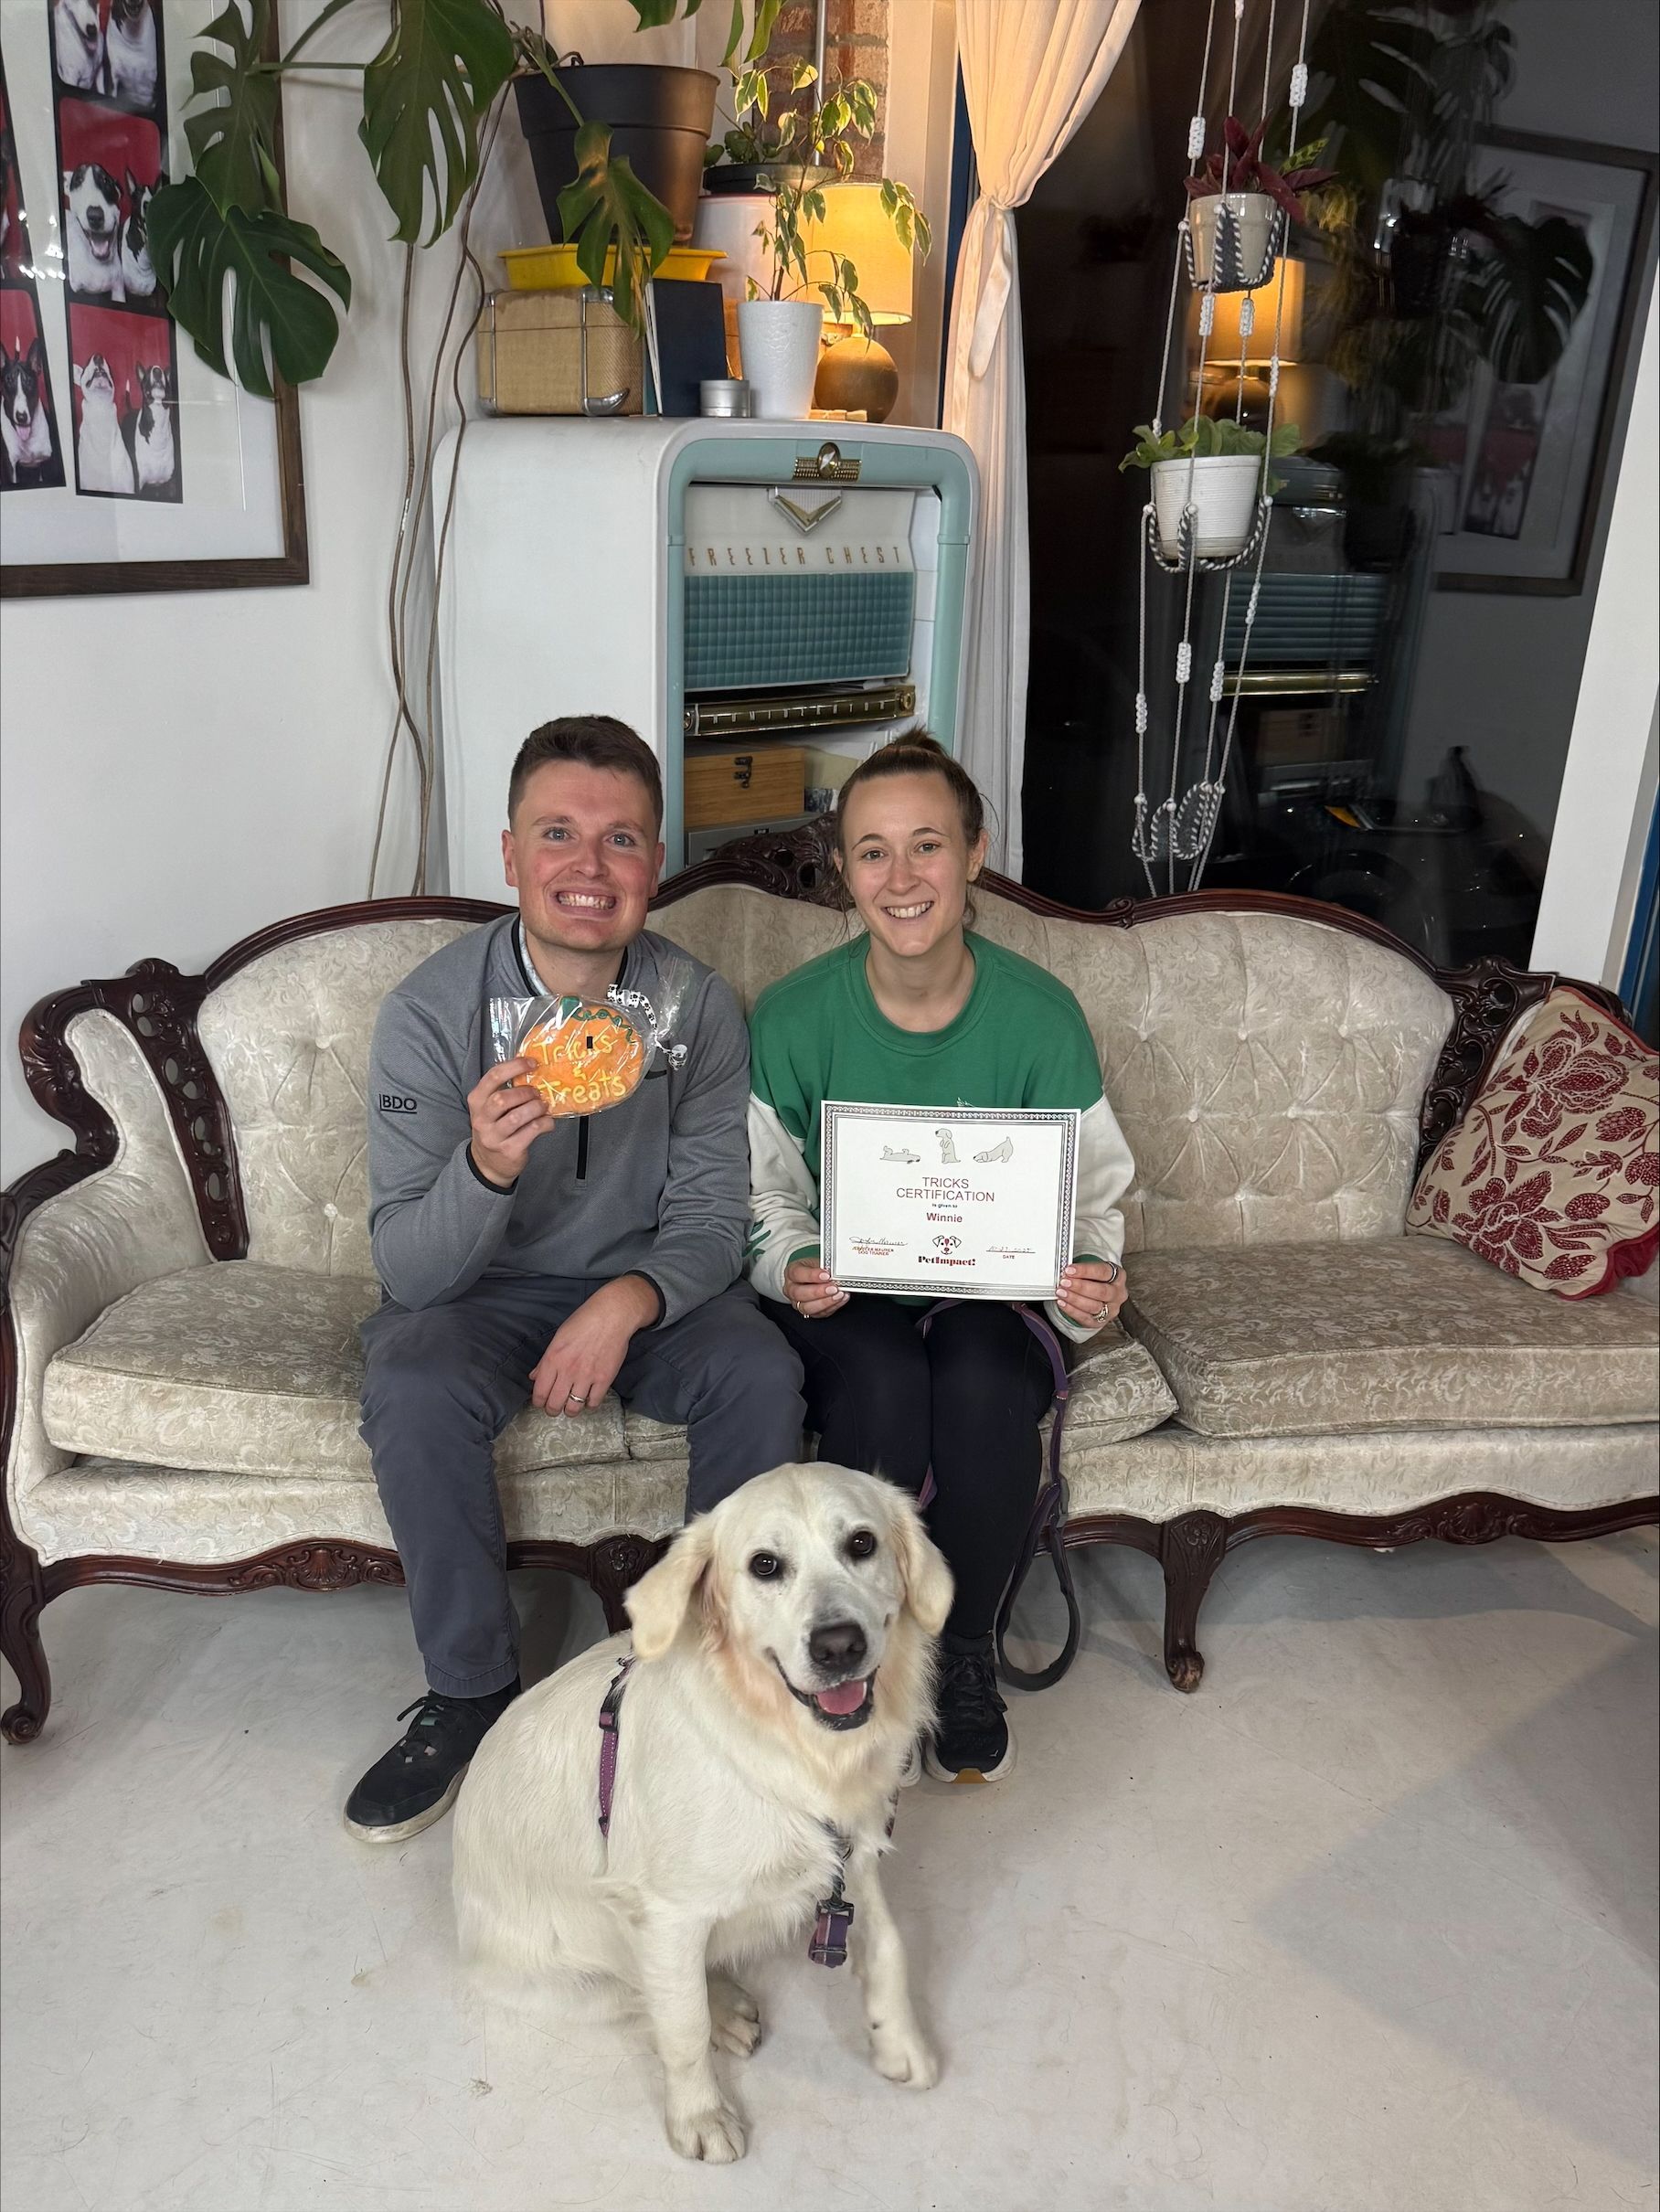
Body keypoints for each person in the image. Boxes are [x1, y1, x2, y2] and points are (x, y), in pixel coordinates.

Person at [347, 716, 806, 1842]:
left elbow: (711, 1215)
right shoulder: (429, 1011)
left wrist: (629, 1298)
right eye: (558, 834)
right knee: (409, 1376)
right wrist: (487, 1164)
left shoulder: (693, 1007)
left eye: (622, 840)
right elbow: (408, 1269)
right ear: (508, 853)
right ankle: (470, 1693)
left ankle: (716, 1684)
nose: (588, 869)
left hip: (653, 1291)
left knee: (761, 1368)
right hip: (479, 1297)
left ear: (655, 861)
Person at [746, 733, 1134, 1784]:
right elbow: (763, 1197)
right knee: (878, 1370)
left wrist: (1092, 1274)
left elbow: (1093, 1198)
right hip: (849, 1289)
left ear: (974, 854)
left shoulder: (1040, 1018)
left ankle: (960, 1651)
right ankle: (857, 1654)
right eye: (872, 852)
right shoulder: (790, 1017)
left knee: (972, 1374)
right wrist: (788, 1262)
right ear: (843, 871)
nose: (901, 876)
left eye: (927, 845)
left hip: (989, 1294)